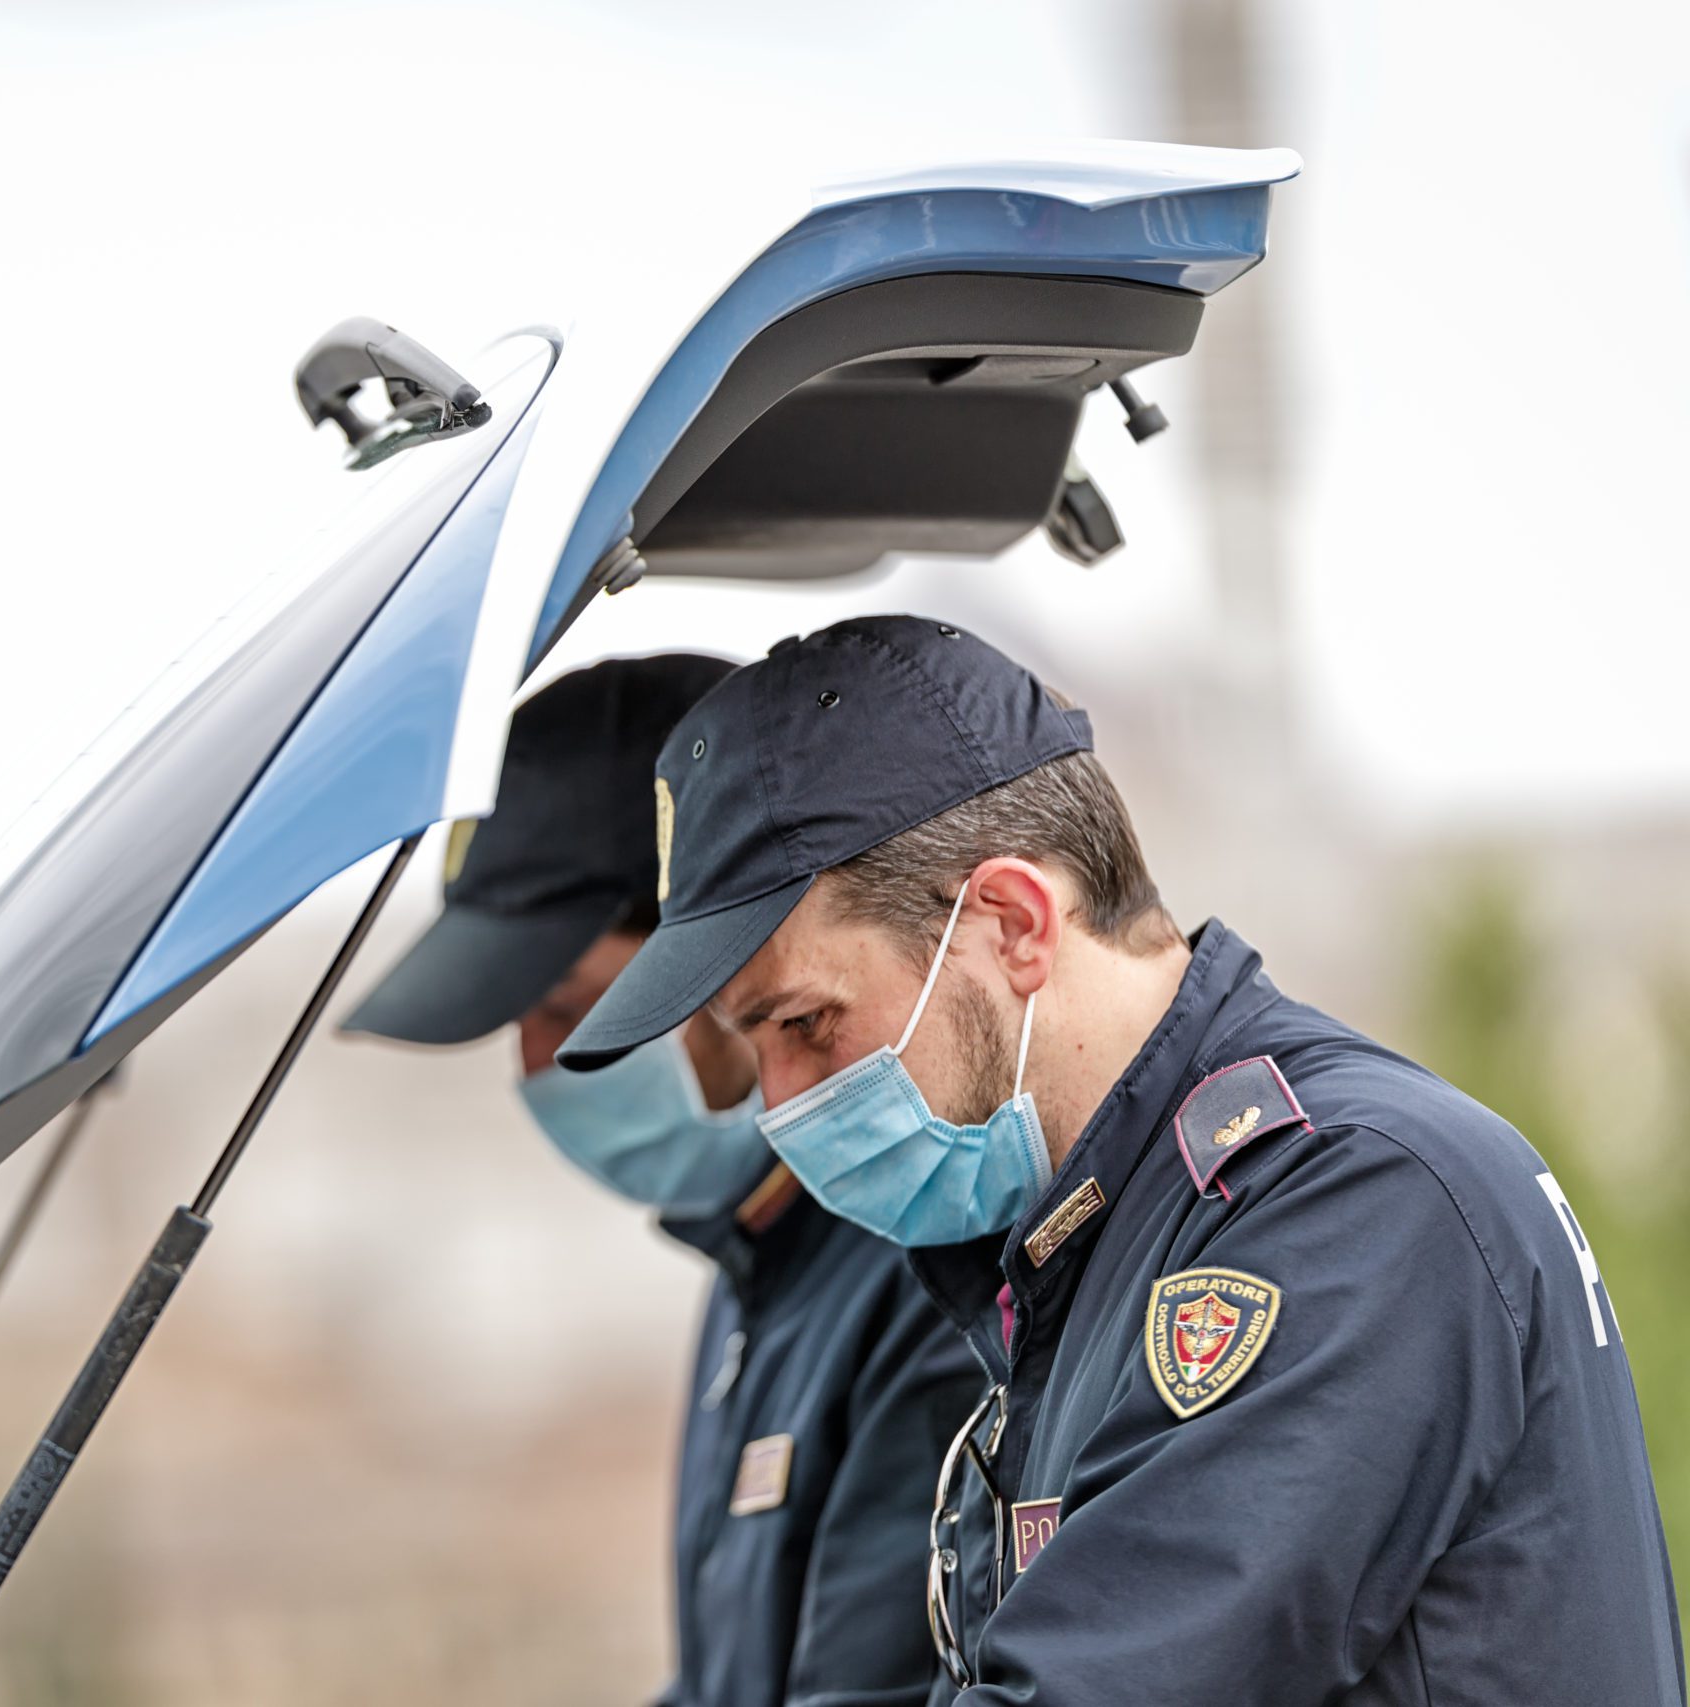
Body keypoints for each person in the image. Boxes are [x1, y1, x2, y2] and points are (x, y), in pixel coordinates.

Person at [557, 615, 1686, 1706]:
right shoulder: (1088, 1240)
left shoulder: (1344, 1203)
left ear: (1010, 923)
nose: (777, 1101)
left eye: (804, 1023)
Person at [343, 652, 978, 1707]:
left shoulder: (923, 1280)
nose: (535, 1065)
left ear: (725, 958)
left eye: (564, 1003)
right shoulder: (758, 1265)